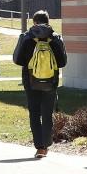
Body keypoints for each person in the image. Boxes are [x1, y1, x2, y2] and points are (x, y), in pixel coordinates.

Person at [12, 10, 67, 158]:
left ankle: (39, 147)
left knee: (34, 113)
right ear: (48, 21)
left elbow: (17, 60)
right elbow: (63, 62)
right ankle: (46, 145)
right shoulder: (55, 38)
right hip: (51, 81)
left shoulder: (26, 37)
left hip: (30, 80)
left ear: (34, 22)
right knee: (47, 113)